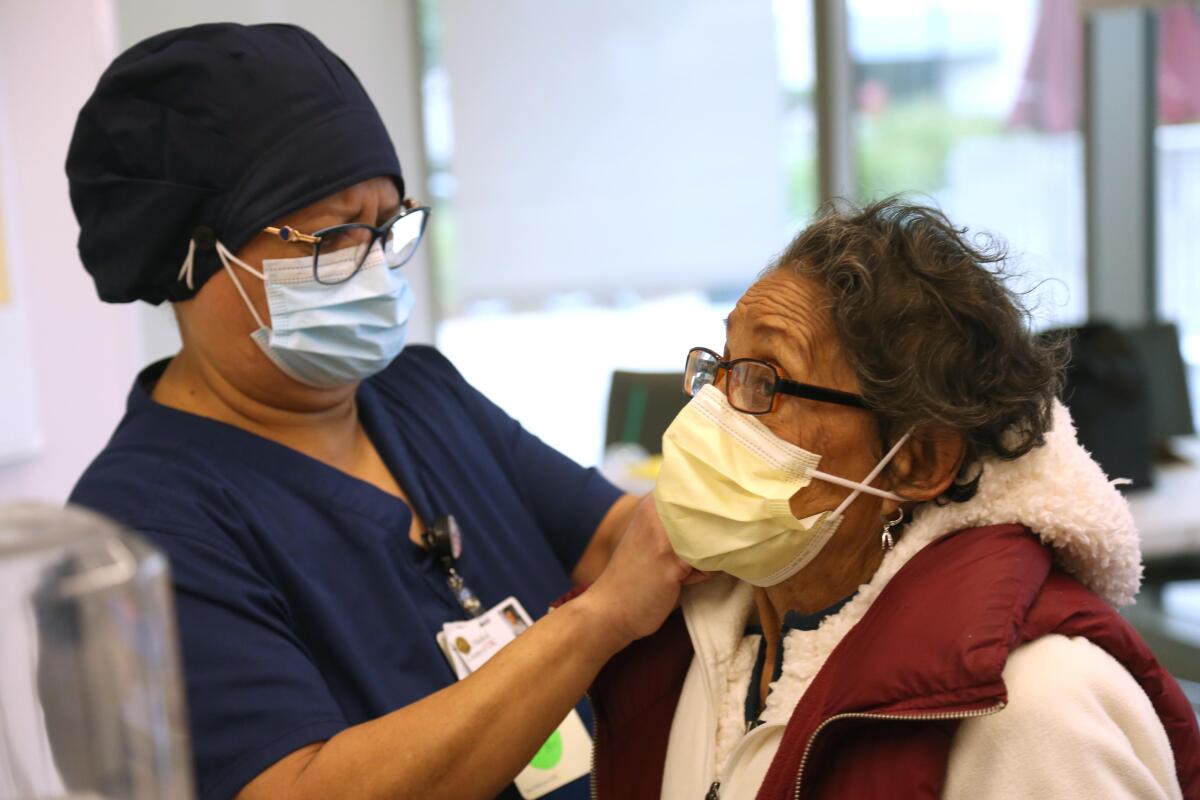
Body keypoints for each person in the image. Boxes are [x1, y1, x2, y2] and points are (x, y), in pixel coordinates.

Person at [65, 23, 703, 800]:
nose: (371, 264)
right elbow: (297, 787)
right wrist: (594, 623)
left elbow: (611, 539)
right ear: (194, 260)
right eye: (332, 236)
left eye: (385, 226)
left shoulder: (418, 392)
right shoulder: (142, 529)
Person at [585, 199, 1200, 799]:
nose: (713, 409)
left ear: (916, 462)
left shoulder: (1035, 706)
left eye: (764, 380)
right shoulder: (685, 634)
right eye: (723, 366)